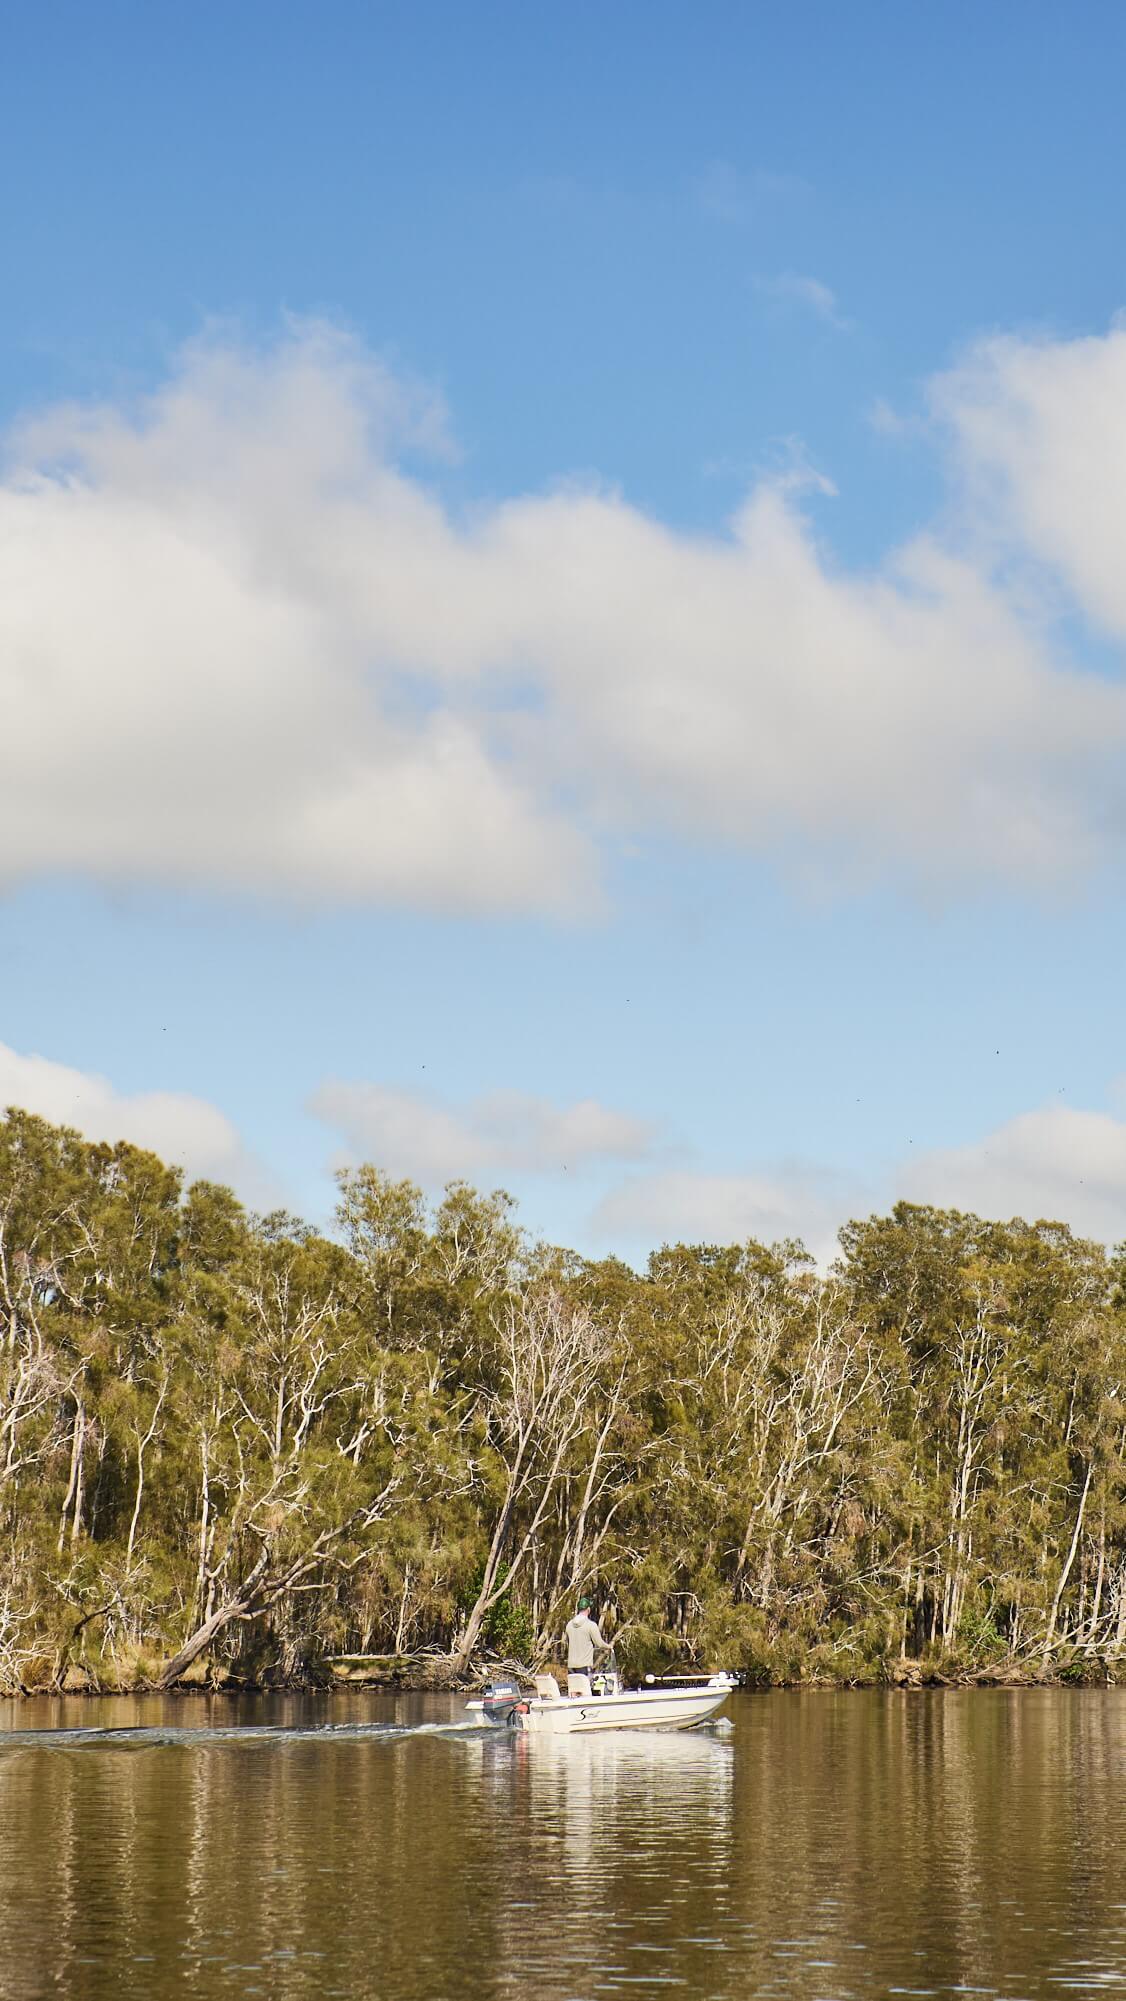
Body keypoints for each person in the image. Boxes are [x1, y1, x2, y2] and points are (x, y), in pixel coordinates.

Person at [564, 1596, 608, 1695]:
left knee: (573, 1692)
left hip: (571, 1665)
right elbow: (599, 1643)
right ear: (588, 1609)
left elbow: (567, 1642)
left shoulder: (569, 1625)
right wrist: (609, 1646)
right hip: (584, 1666)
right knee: (585, 1692)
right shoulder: (591, 1625)